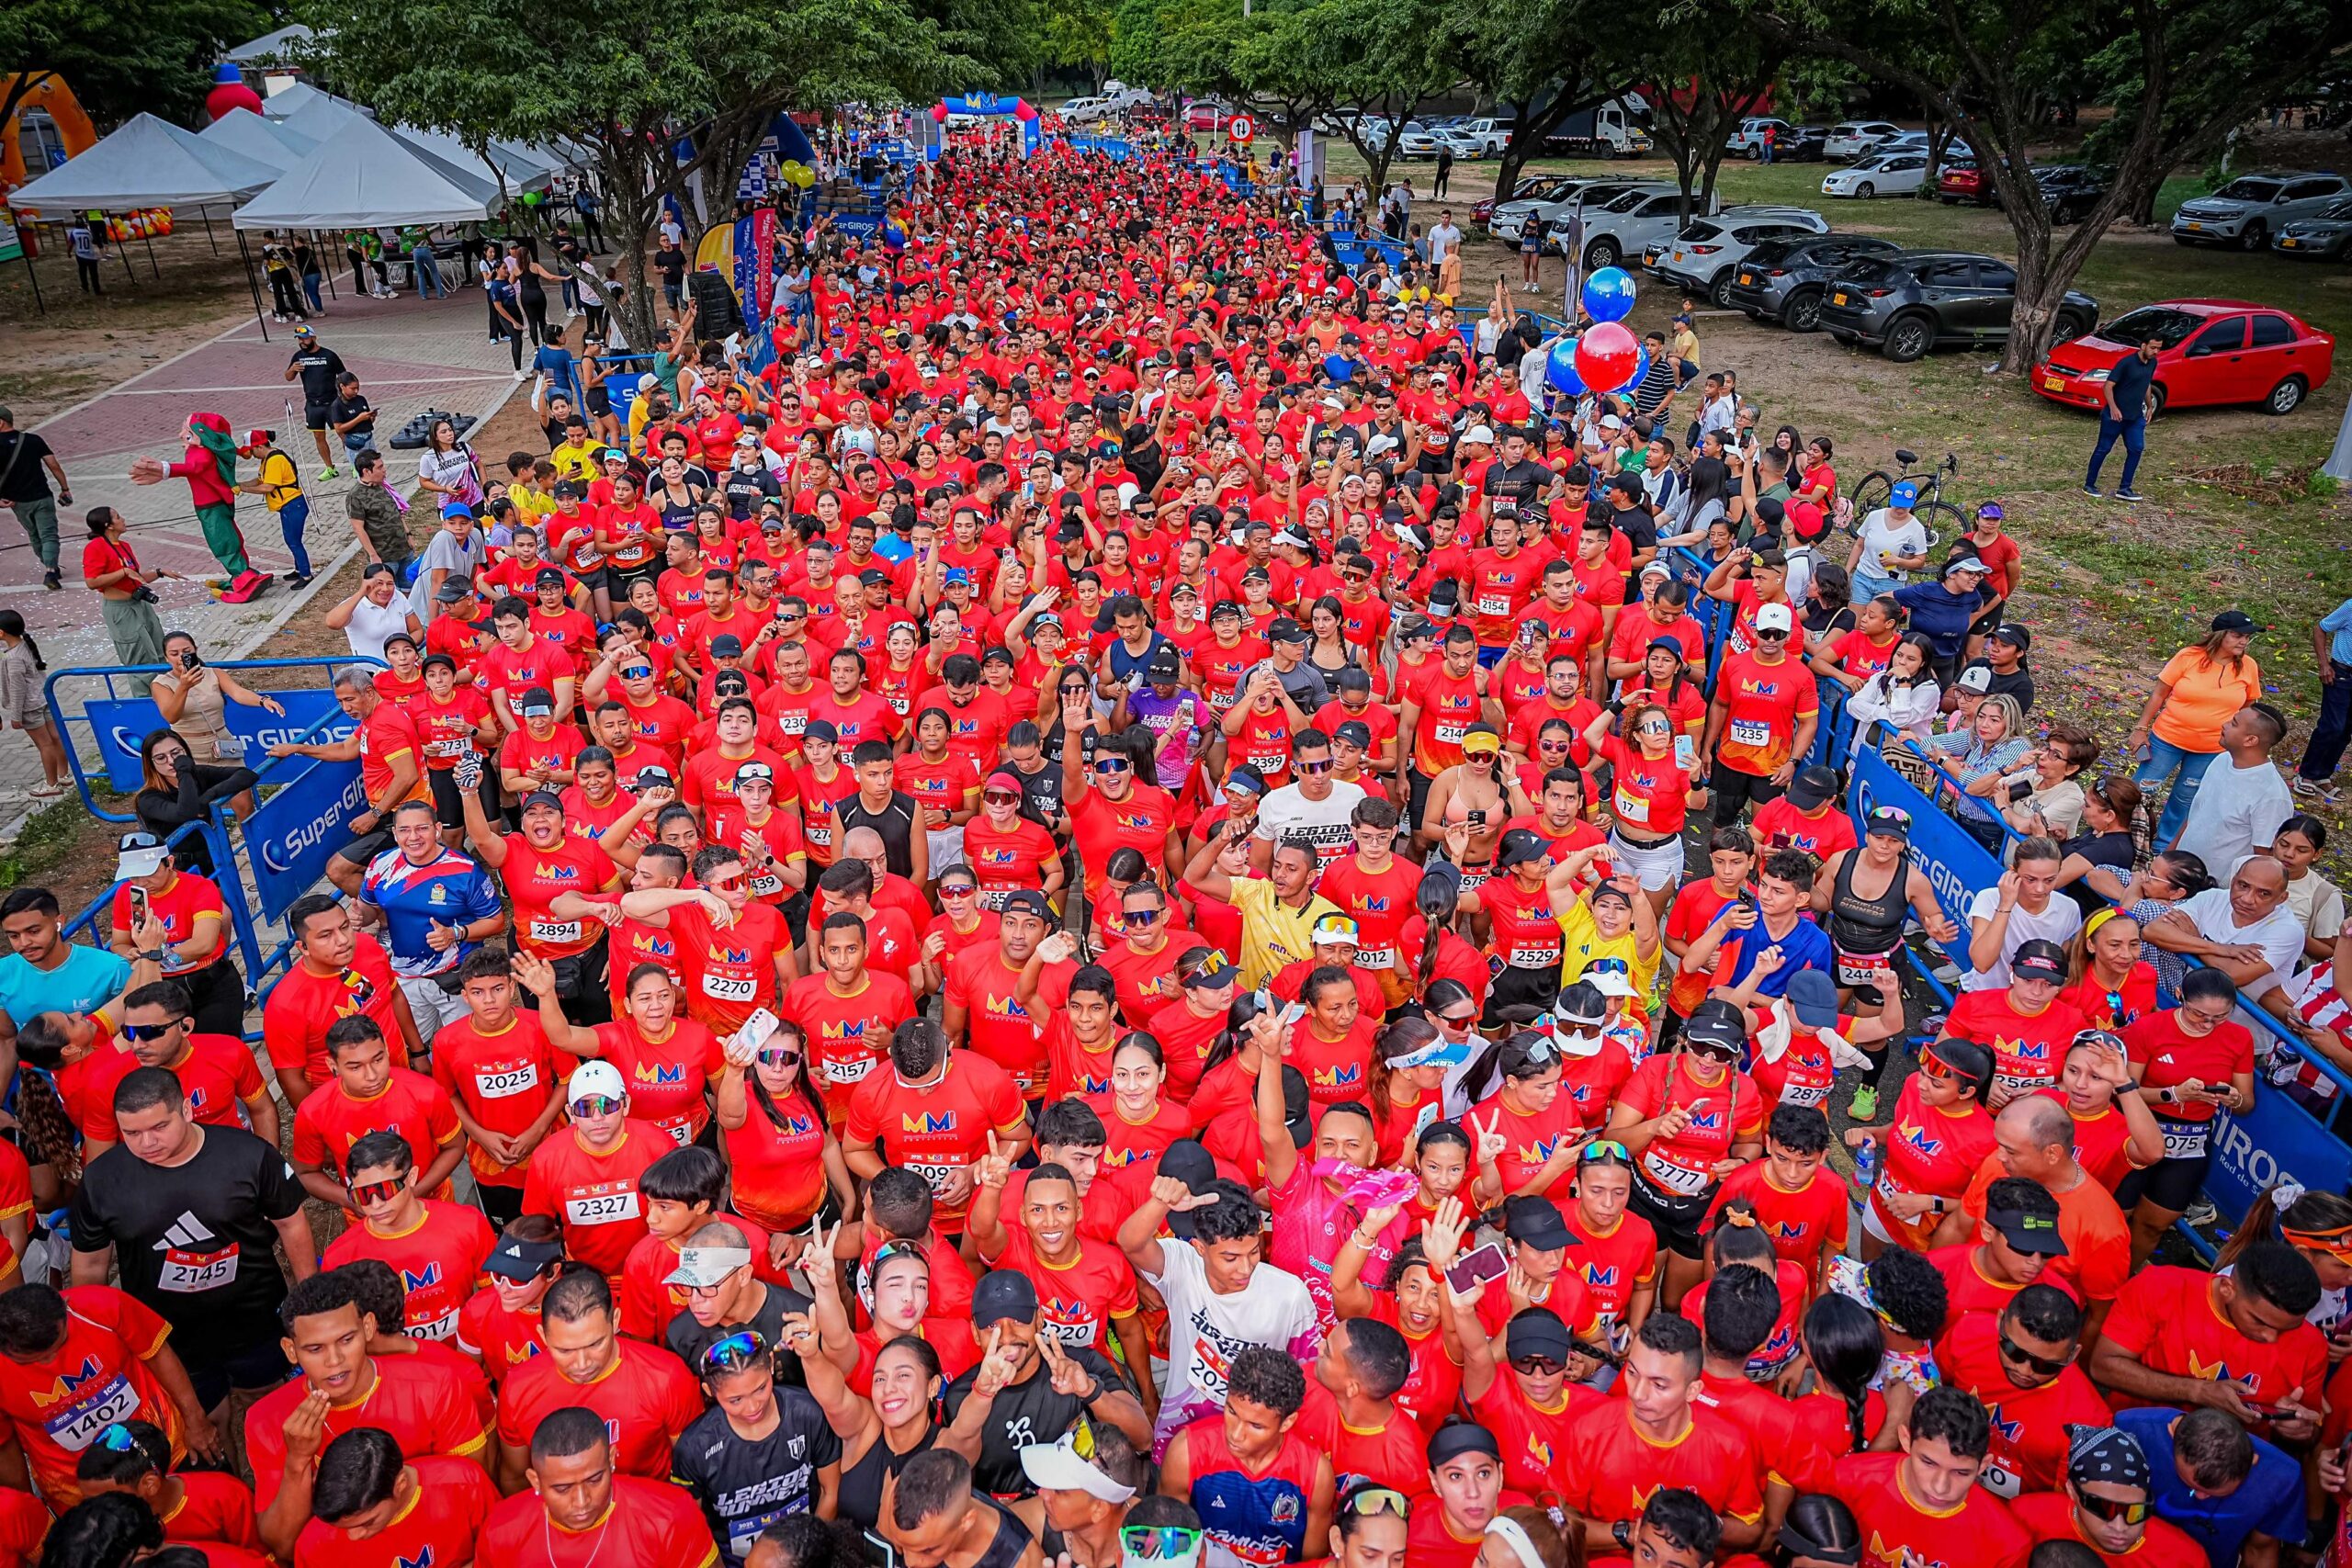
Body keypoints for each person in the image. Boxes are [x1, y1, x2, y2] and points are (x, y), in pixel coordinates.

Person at [69, 1066, 317, 1413]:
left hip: (253, 1314)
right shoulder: (101, 1182)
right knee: (204, 1420)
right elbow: (91, 1264)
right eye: (131, 1133)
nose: (147, 1143)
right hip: (167, 1335)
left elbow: (291, 1223)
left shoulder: (248, 1155)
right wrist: (96, 1333)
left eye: (159, 1127)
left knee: (269, 1397)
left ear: (186, 1109)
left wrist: (309, 1296)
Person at [477, 1406, 721, 1568]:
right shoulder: (501, 1530)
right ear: (535, 1481)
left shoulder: (670, 1515)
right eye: (562, 1489)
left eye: (595, 1480)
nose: (582, 1501)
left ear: (612, 1459)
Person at [2086, 329, 2162, 502]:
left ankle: (2125, 488)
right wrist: (2113, 407)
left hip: (2134, 418)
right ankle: (2089, 484)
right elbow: (2108, 386)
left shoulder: (2152, 363)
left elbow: (2146, 384)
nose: (2156, 352)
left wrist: (2149, 406)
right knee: (2103, 449)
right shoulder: (2126, 363)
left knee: (2136, 449)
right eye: (2153, 347)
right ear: (2143, 346)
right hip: (2115, 417)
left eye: (2159, 348)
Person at [0, 404, 70, 591]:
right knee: (49, 535)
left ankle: (50, 565)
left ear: (1, 422)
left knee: (34, 535)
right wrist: (65, 488)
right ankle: (51, 569)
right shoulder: (33, 440)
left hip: (16, 501)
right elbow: (53, 465)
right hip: (42, 496)